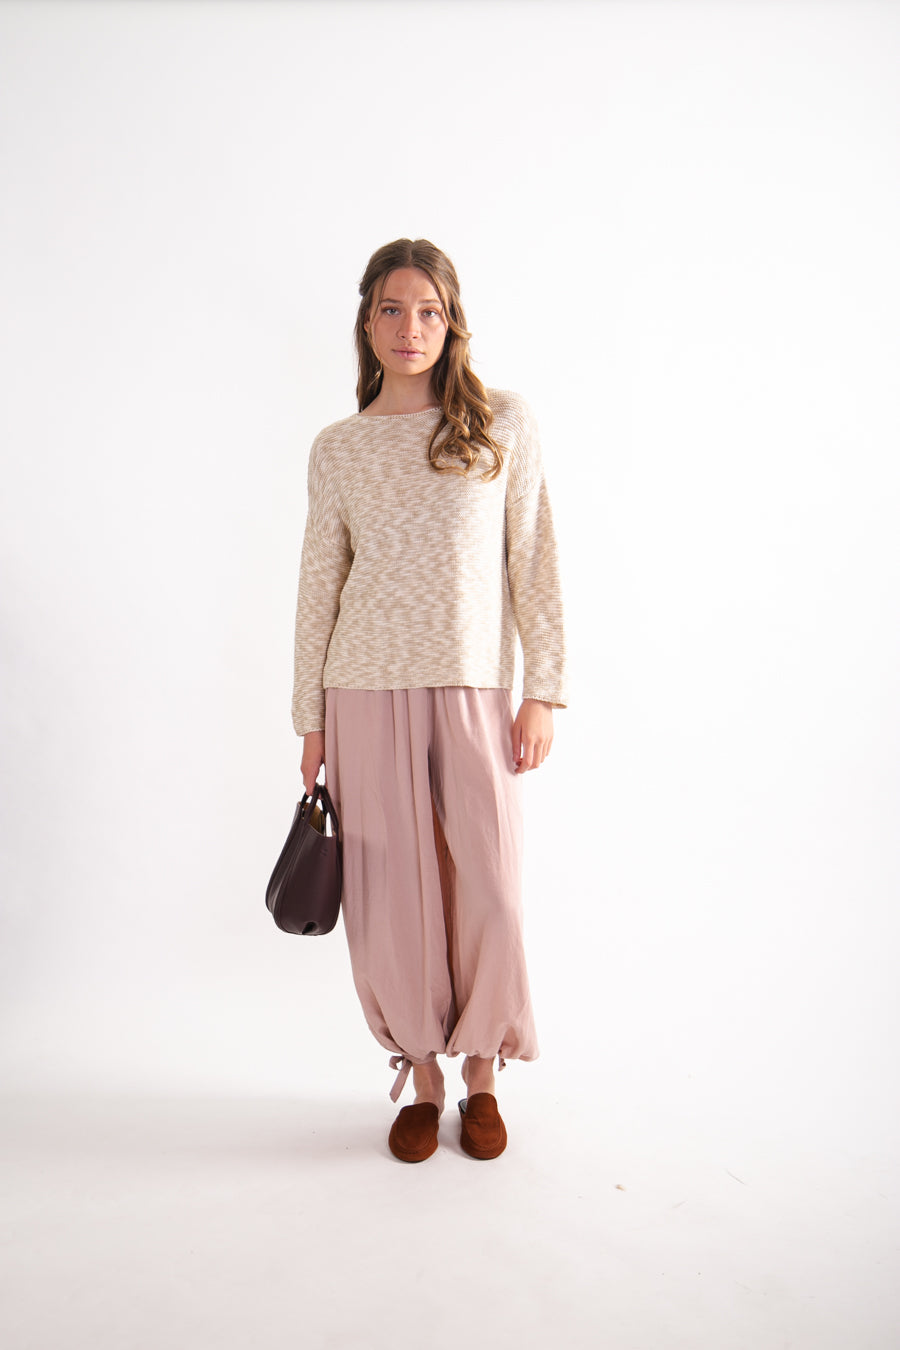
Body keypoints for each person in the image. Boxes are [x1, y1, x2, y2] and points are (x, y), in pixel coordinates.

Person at [291, 238, 568, 1162]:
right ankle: (421, 1073)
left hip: (474, 686)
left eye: (429, 311)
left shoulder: (500, 424)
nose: (410, 328)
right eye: (392, 309)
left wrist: (544, 690)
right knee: (392, 897)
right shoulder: (339, 448)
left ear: (452, 323)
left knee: (489, 883)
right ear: (367, 322)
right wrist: (310, 719)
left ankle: (483, 1068)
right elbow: (318, 587)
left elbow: (533, 557)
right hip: (362, 688)